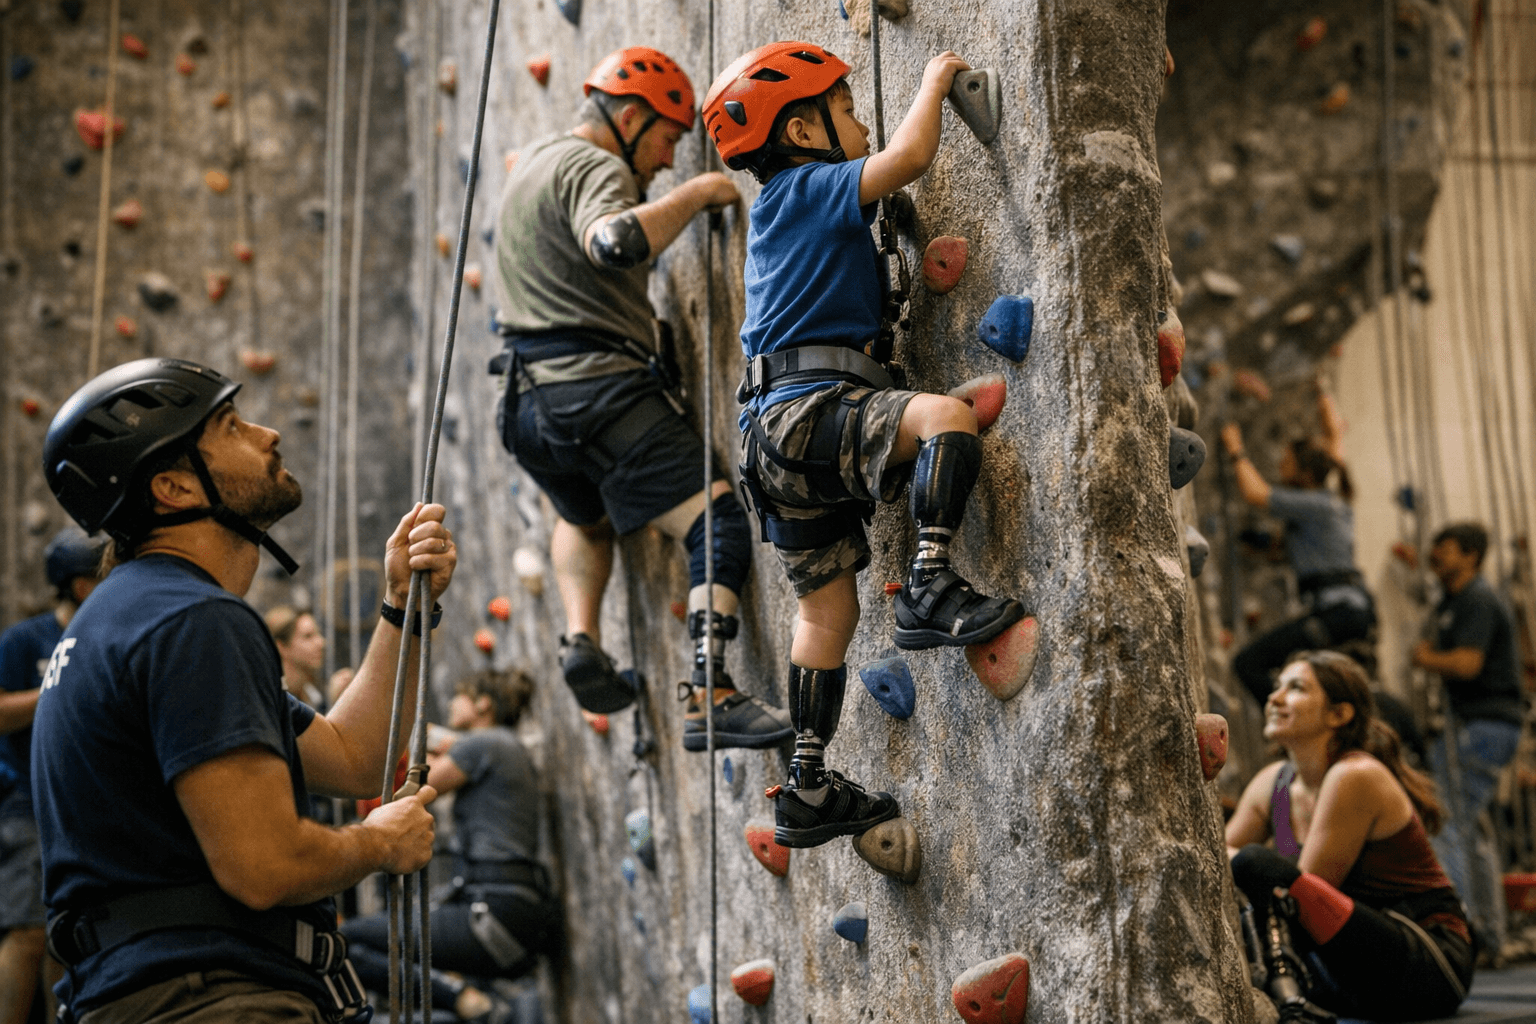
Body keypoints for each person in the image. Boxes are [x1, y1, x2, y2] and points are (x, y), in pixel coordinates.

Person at [32, 357, 454, 1023]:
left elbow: (353, 756)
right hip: (210, 998)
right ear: (174, 487)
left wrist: (401, 604)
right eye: (231, 427)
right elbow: (265, 865)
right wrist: (378, 843)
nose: (269, 434)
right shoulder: (192, 623)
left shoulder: (132, 619)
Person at [701, 42, 1025, 848]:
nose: (862, 120)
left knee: (826, 611)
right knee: (946, 420)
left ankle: (806, 784)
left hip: (768, 441)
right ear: (804, 132)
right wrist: (936, 78)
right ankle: (930, 583)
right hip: (811, 408)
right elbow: (910, 156)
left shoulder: (786, 208)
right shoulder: (806, 189)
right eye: (846, 110)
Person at [491, 45, 792, 752]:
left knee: (585, 517)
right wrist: (697, 194)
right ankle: (709, 693)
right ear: (629, 118)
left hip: (526, 407)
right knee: (714, 518)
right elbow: (613, 243)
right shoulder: (598, 167)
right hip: (597, 393)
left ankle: (581, 637)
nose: (663, 160)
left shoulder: (531, 163)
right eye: (665, 139)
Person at [1226, 650, 1472, 1021]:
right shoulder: (1274, 783)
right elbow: (1215, 865)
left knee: (1256, 865)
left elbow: (1302, 897)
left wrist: (1244, 864)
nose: (1274, 698)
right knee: (1249, 868)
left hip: (1430, 963)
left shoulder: (1355, 775)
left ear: (1338, 714)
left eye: (1295, 688)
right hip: (1346, 974)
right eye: (1276, 687)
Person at [342, 668, 560, 1020]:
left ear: (482, 704)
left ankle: (462, 998)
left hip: (494, 913)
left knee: (344, 941)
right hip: (511, 910)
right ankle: (470, 1001)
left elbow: (401, 798)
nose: (452, 702)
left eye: (461, 695)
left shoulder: (483, 744)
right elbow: (437, 743)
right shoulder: (502, 745)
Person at [0, 528, 103, 1024]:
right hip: (27, 799)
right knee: (26, 932)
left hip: (84, 800)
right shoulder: (25, 640)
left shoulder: (100, 632)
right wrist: (57, 689)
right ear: (81, 586)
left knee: (66, 931)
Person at [1220, 387, 1376, 709]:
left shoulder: (1315, 504)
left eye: (1287, 461)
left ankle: (1291, 718)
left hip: (1338, 612)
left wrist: (1236, 450)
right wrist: (1324, 396)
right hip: (1347, 610)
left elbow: (1256, 493)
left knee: (1249, 664)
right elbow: (1335, 440)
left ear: (1305, 474)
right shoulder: (1329, 497)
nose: (1281, 464)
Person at [1412, 521, 1524, 958]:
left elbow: (1468, 664)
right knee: (1472, 829)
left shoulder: (1476, 599)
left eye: (1448, 549)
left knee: (1447, 822)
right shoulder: (1454, 602)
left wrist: (1425, 658)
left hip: (1482, 724)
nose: (1436, 555)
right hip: (1485, 724)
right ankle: (1488, 932)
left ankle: (1458, 929)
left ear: (1471, 556)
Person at [264, 606, 327, 706]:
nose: (321, 642)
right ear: (281, 647)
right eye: (308, 636)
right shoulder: (273, 699)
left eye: (318, 634)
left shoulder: (312, 693)